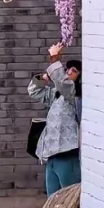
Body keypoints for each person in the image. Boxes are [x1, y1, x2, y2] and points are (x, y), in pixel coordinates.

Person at [28, 42, 81, 195]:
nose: (69, 72)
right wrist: (44, 77)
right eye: (67, 69)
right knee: (53, 199)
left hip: (67, 153)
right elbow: (34, 91)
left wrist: (54, 59)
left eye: (74, 71)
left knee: (69, 198)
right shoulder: (56, 95)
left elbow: (64, 84)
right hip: (51, 155)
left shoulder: (74, 95)